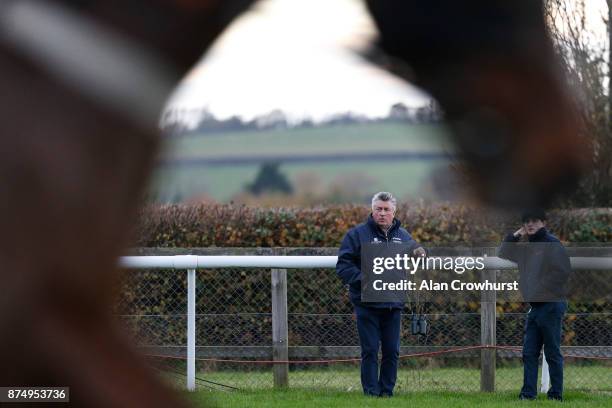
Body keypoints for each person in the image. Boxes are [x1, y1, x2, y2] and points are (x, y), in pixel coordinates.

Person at [336, 192, 426, 397]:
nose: (382, 213)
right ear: (372, 210)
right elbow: (343, 266)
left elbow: (416, 249)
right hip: (366, 304)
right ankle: (371, 393)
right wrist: (365, 280)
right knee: (369, 351)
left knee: (392, 352)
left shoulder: (402, 235)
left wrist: (421, 250)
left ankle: (387, 393)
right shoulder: (356, 235)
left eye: (386, 209)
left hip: (394, 303)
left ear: (394, 212)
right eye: (378, 209)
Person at [498, 209, 571, 401]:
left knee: (552, 352)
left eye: (534, 221)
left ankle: (555, 395)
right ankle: (528, 395)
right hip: (536, 307)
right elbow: (503, 251)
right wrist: (516, 234)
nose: (530, 224)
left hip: (551, 305)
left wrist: (539, 289)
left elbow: (562, 272)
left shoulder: (552, 244)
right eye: (526, 221)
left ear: (543, 222)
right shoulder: (525, 248)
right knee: (529, 352)